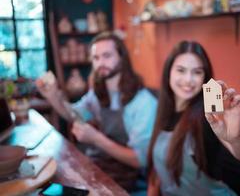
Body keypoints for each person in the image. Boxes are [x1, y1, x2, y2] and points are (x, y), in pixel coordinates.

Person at [36, 32, 157, 192]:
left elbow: (140, 160)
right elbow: (75, 115)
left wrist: (96, 139)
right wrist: (53, 97)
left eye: (107, 56)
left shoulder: (143, 101)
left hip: (132, 178)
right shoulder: (98, 93)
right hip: (103, 167)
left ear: (122, 58)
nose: (101, 63)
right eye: (96, 58)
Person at [147, 41, 240, 196]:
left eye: (197, 72)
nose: (188, 80)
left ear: (205, 77)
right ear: (169, 72)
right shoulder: (163, 109)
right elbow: (157, 170)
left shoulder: (208, 113)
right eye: (181, 70)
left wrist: (236, 137)